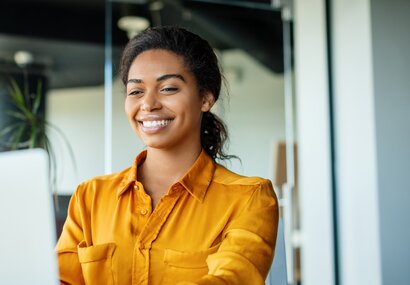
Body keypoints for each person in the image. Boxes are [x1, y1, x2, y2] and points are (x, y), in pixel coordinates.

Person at [56, 26, 279, 285]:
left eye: (168, 88)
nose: (148, 104)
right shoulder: (90, 198)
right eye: (136, 91)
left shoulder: (249, 198)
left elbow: (231, 278)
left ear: (206, 98)